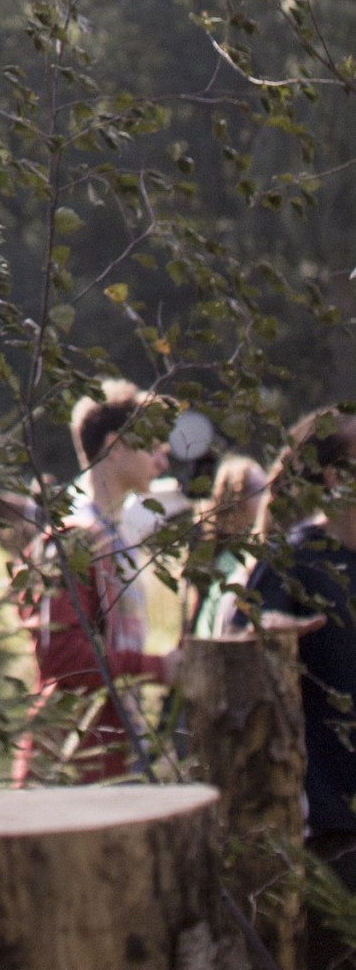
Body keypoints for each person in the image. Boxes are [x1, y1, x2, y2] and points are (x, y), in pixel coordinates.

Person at [18, 383, 178, 784]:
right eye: (152, 447)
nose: (161, 461)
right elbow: (63, 660)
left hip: (108, 758)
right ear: (116, 445)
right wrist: (158, 667)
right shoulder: (72, 540)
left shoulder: (115, 537)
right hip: (69, 764)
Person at [251, 412, 356, 966]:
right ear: (338, 478)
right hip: (335, 828)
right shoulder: (292, 561)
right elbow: (238, 641)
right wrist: (267, 634)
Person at [187, 454, 267, 640]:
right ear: (236, 498)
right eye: (258, 488)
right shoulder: (224, 558)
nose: (266, 495)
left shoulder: (253, 551)